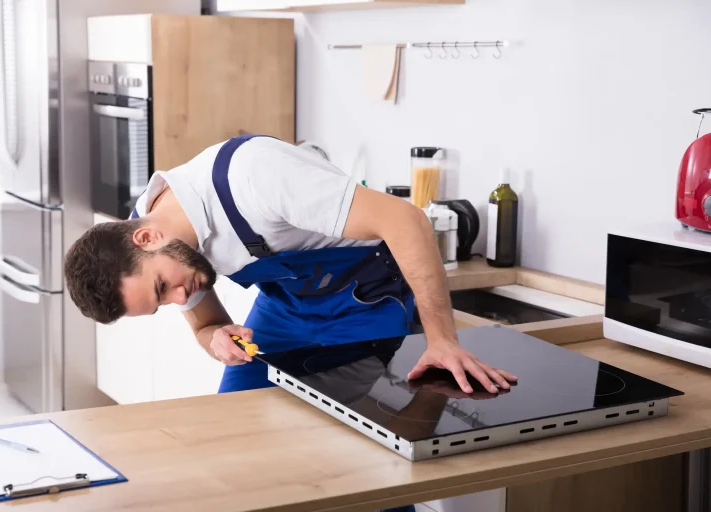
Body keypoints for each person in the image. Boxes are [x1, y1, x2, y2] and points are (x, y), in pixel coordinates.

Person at [64, 133, 517, 396]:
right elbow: (205, 324)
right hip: (286, 307)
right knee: (237, 434)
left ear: (147, 238)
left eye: (163, 288)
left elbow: (407, 221)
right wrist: (214, 339)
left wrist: (442, 341)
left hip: (363, 303)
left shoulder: (255, 177)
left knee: (352, 454)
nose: (180, 298)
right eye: (163, 303)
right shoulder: (149, 236)